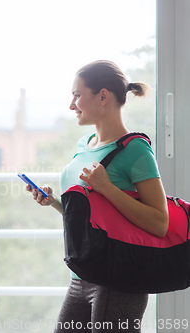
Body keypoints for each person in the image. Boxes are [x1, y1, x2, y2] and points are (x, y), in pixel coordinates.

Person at [27, 60, 168, 332]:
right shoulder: (84, 146)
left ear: (103, 96)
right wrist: (54, 202)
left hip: (118, 279)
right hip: (81, 276)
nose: (71, 105)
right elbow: (93, 217)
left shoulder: (136, 150)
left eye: (77, 95)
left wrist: (108, 188)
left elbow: (159, 222)